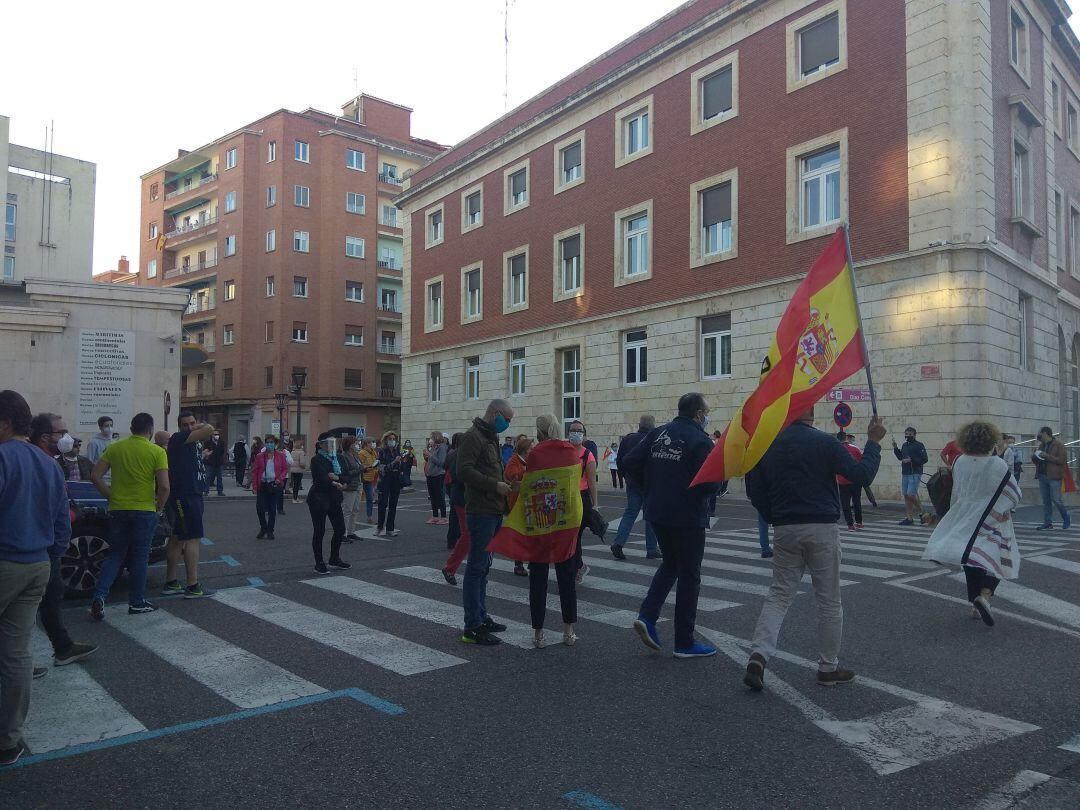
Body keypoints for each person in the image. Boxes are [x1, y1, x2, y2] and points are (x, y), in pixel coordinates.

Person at [742, 409, 886, 692]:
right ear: (810, 411)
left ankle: (759, 655)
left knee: (779, 594)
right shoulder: (824, 442)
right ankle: (828, 667)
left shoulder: (767, 445)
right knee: (829, 599)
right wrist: (874, 442)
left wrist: (775, 516)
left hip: (785, 527)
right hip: (821, 526)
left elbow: (754, 491)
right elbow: (861, 475)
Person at [0, 391, 72, 766]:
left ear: (7, 422)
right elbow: (62, 523)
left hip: (5, 561)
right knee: (16, 652)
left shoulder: (1, 456)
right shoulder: (48, 464)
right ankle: (8, 741)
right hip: (37, 564)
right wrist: (50, 555)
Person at [622, 394, 717, 658]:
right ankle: (684, 642)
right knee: (690, 575)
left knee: (671, 564)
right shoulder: (700, 440)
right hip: (687, 516)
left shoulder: (658, 433)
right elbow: (709, 483)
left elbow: (629, 462)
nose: (707, 416)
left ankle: (648, 616)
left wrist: (649, 488)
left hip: (657, 513)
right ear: (698, 414)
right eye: (707, 412)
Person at [923, 421, 1022, 626]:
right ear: (990, 440)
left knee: (971, 557)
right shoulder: (997, 464)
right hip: (991, 517)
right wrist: (1003, 508)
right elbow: (1013, 493)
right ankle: (984, 596)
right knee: (1002, 556)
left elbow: (957, 490)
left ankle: (975, 604)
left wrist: (952, 513)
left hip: (965, 513)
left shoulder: (959, 461)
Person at [26, 414, 98, 667]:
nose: (68, 437)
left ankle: (62, 647)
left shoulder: (45, 461)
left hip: (43, 545)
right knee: (28, 605)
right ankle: (17, 663)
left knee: (49, 598)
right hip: (42, 547)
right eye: (62, 432)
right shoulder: (43, 463)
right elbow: (51, 508)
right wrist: (67, 523)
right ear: (46, 437)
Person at [89, 412, 171, 619]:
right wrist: (158, 509)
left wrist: (110, 495)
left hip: (118, 509)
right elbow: (164, 487)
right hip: (144, 510)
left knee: (115, 554)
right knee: (140, 557)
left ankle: (99, 596)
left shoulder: (115, 448)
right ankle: (136, 601)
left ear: (132, 428)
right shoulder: (157, 451)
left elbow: (95, 476)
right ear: (150, 430)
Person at [457, 398, 515, 645]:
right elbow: (464, 470)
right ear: (494, 413)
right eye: (506, 419)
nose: (507, 424)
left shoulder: (490, 436)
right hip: (480, 511)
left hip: (493, 510)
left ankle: (481, 615)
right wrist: (495, 485)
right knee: (476, 567)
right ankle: (472, 626)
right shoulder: (474, 437)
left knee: (484, 567)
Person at [524, 415, 579, 648]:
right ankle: (568, 631)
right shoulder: (571, 451)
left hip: (541, 518)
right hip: (566, 518)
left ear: (541, 431)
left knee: (538, 577)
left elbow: (531, 485)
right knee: (566, 576)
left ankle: (539, 634)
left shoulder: (536, 453)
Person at [161, 411, 215, 599]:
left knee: (178, 537)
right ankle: (193, 585)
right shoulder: (178, 438)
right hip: (185, 494)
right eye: (186, 424)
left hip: (192, 492)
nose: (190, 427)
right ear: (179, 427)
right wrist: (201, 426)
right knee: (193, 537)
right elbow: (209, 429)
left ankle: (171, 581)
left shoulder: (191, 443)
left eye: (192, 423)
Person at [610, 415, 660, 560]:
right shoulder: (654, 440)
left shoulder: (628, 439)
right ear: (653, 426)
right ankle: (651, 549)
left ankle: (618, 543)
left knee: (630, 514)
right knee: (650, 516)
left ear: (639, 424)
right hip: (650, 484)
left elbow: (620, 460)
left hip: (632, 484)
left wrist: (625, 476)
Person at [307, 433, 353, 574]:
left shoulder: (338, 458)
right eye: (328, 443)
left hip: (334, 497)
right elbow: (321, 477)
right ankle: (319, 563)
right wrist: (334, 481)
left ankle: (334, 558)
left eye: (333, 443)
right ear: (321, 444)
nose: (332, 446)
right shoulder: (317, 459)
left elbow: (347, 476)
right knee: (319, 531)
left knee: (340, 529)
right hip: (319, 498)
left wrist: (338, 479)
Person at [567, 420, 598, 584]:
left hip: (581, 498)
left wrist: (595, 505)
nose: (576, 433)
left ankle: (576, 569)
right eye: (573, 430)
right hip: (566, 497)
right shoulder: (564, 451)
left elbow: (592, 482)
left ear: (584, 434)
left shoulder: (588, 455)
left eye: (579, 430)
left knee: (575, 536)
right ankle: (577, 566)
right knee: (568, 536)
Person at [442, 434, 471, 585]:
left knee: (472, 534)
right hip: (462, 498)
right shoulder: (459, 455)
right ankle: (450, 567)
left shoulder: (457, 454)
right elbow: (457, 475)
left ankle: (476, 570)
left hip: (465, 498)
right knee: (468, 534)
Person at [504, 435, 532, 577]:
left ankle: (529, 559)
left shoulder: (525, 461)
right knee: (520, 534)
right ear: (524, 450)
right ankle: (518, 564)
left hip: (526, 501)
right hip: (516, 502)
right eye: (530, 449)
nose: (532, 451)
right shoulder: (514, 461)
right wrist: (528, 473)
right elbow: (511, 478)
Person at [250, 434, 288, 539]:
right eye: (267, 442)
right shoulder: (260, 456)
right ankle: (263, 527)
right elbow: (255, 471)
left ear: (275, 444)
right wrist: (254, 486)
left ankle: (270, 530)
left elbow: (285, 469)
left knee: (272, 509)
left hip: (274, 484)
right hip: (262, 484)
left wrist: (279, 478)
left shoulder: (280, 455)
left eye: (271, 443)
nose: (269, 444)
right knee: (260, 508)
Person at [1033, 426, 1070, 530]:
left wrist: (1047, 456)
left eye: (1040, 434)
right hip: (1042, 475)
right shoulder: (1042, 445)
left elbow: (1062, 460)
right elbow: (1038, 458)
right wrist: (1035, 456)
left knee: (1056, 499)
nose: (1039, 436)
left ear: (1045, 433)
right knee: (1046, 500)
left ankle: (1066, 517)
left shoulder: (1059, 445)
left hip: (1054, 476)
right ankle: (1047, 522)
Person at [893, 426, 928, 526]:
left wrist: (911, 460)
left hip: (915, 472)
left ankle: (922, 512)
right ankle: (909, 518)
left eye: (909, 434)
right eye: (906, 434)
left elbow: (925, 459)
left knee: (911, 494)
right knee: (906, 495)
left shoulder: (919, 445)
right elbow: (900, 457)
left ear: (914, 435)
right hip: (905, 472)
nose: (907, 436)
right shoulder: (904, 445)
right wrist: (895, 448)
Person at [376, 432, 406, 537]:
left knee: (393, 504)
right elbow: (382, 468)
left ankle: (390, 528)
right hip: (385, 480)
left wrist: (402, 462)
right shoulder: (382, 452)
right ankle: (379, 527)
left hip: (396, 479)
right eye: (390, 439)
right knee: (382, 504)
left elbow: (401, 468)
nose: (392, 441)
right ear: (386, 440)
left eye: (394, 439)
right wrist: (394, 462)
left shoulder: (397, 451)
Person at [836, 431, 864, 531]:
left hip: (842, 480)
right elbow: (861, 462)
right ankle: (859, 522)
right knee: (857, 502)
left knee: (845, 504)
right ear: (846, 438)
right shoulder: (855, 449)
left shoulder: (836, 449)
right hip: (856, 480)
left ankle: (850, 525)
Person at [338, 436, 363, 539]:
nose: (357, 445)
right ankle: (343, 534)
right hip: (349, 486)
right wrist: (360, 470)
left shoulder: (355, 455)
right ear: (349, 445)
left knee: (355, 509)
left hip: (358, 484)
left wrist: (363, 469)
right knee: (347, 510)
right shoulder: (344, 456)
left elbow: (358, 468)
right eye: (355, 443)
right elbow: (346, 472)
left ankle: (351, 532)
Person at [424, 431, 449, 525]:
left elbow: (441, 463)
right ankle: (435, 516)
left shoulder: (442, 448)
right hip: (430, 475)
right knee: (433, 496)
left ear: (436, 438)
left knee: (439, 496)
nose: (430, 440)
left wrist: (430, 455)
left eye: (432, 438)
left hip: (438, 475)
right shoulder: (434, 448)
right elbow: (430, 460)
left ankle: (443, 517)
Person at [358, 438, 379, 526]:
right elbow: (361, 465)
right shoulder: (362, 453)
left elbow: (376, 461)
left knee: (370, 498)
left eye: (373, 442)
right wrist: (370, 467)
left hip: (372, 477)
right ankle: (351, 516)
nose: (373, 444)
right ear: (366, 443)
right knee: (364, 497)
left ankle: (369, 516)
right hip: (364, 478)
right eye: (371, 442)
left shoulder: (373, 452)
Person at [201, 429, 226, 496]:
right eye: (215, 434)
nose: (216, 436)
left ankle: (220, 491)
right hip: (209, 462)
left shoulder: (221, 442)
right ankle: (206, 491)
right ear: (212, 435)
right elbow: (204, 451)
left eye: (217, 434)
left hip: (219, 462)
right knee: (208, 477)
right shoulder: (207, 443)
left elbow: (222, 451)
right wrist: (208, 453)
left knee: (219, 477)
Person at [289, 438, 308, 504]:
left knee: (294, 484)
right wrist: (304, 467)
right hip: (299, 470)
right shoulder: (301, 452)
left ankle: (295, 497)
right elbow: (302, 462)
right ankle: (295, 498)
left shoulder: (292, 452)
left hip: (293, 470)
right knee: (297, 484)